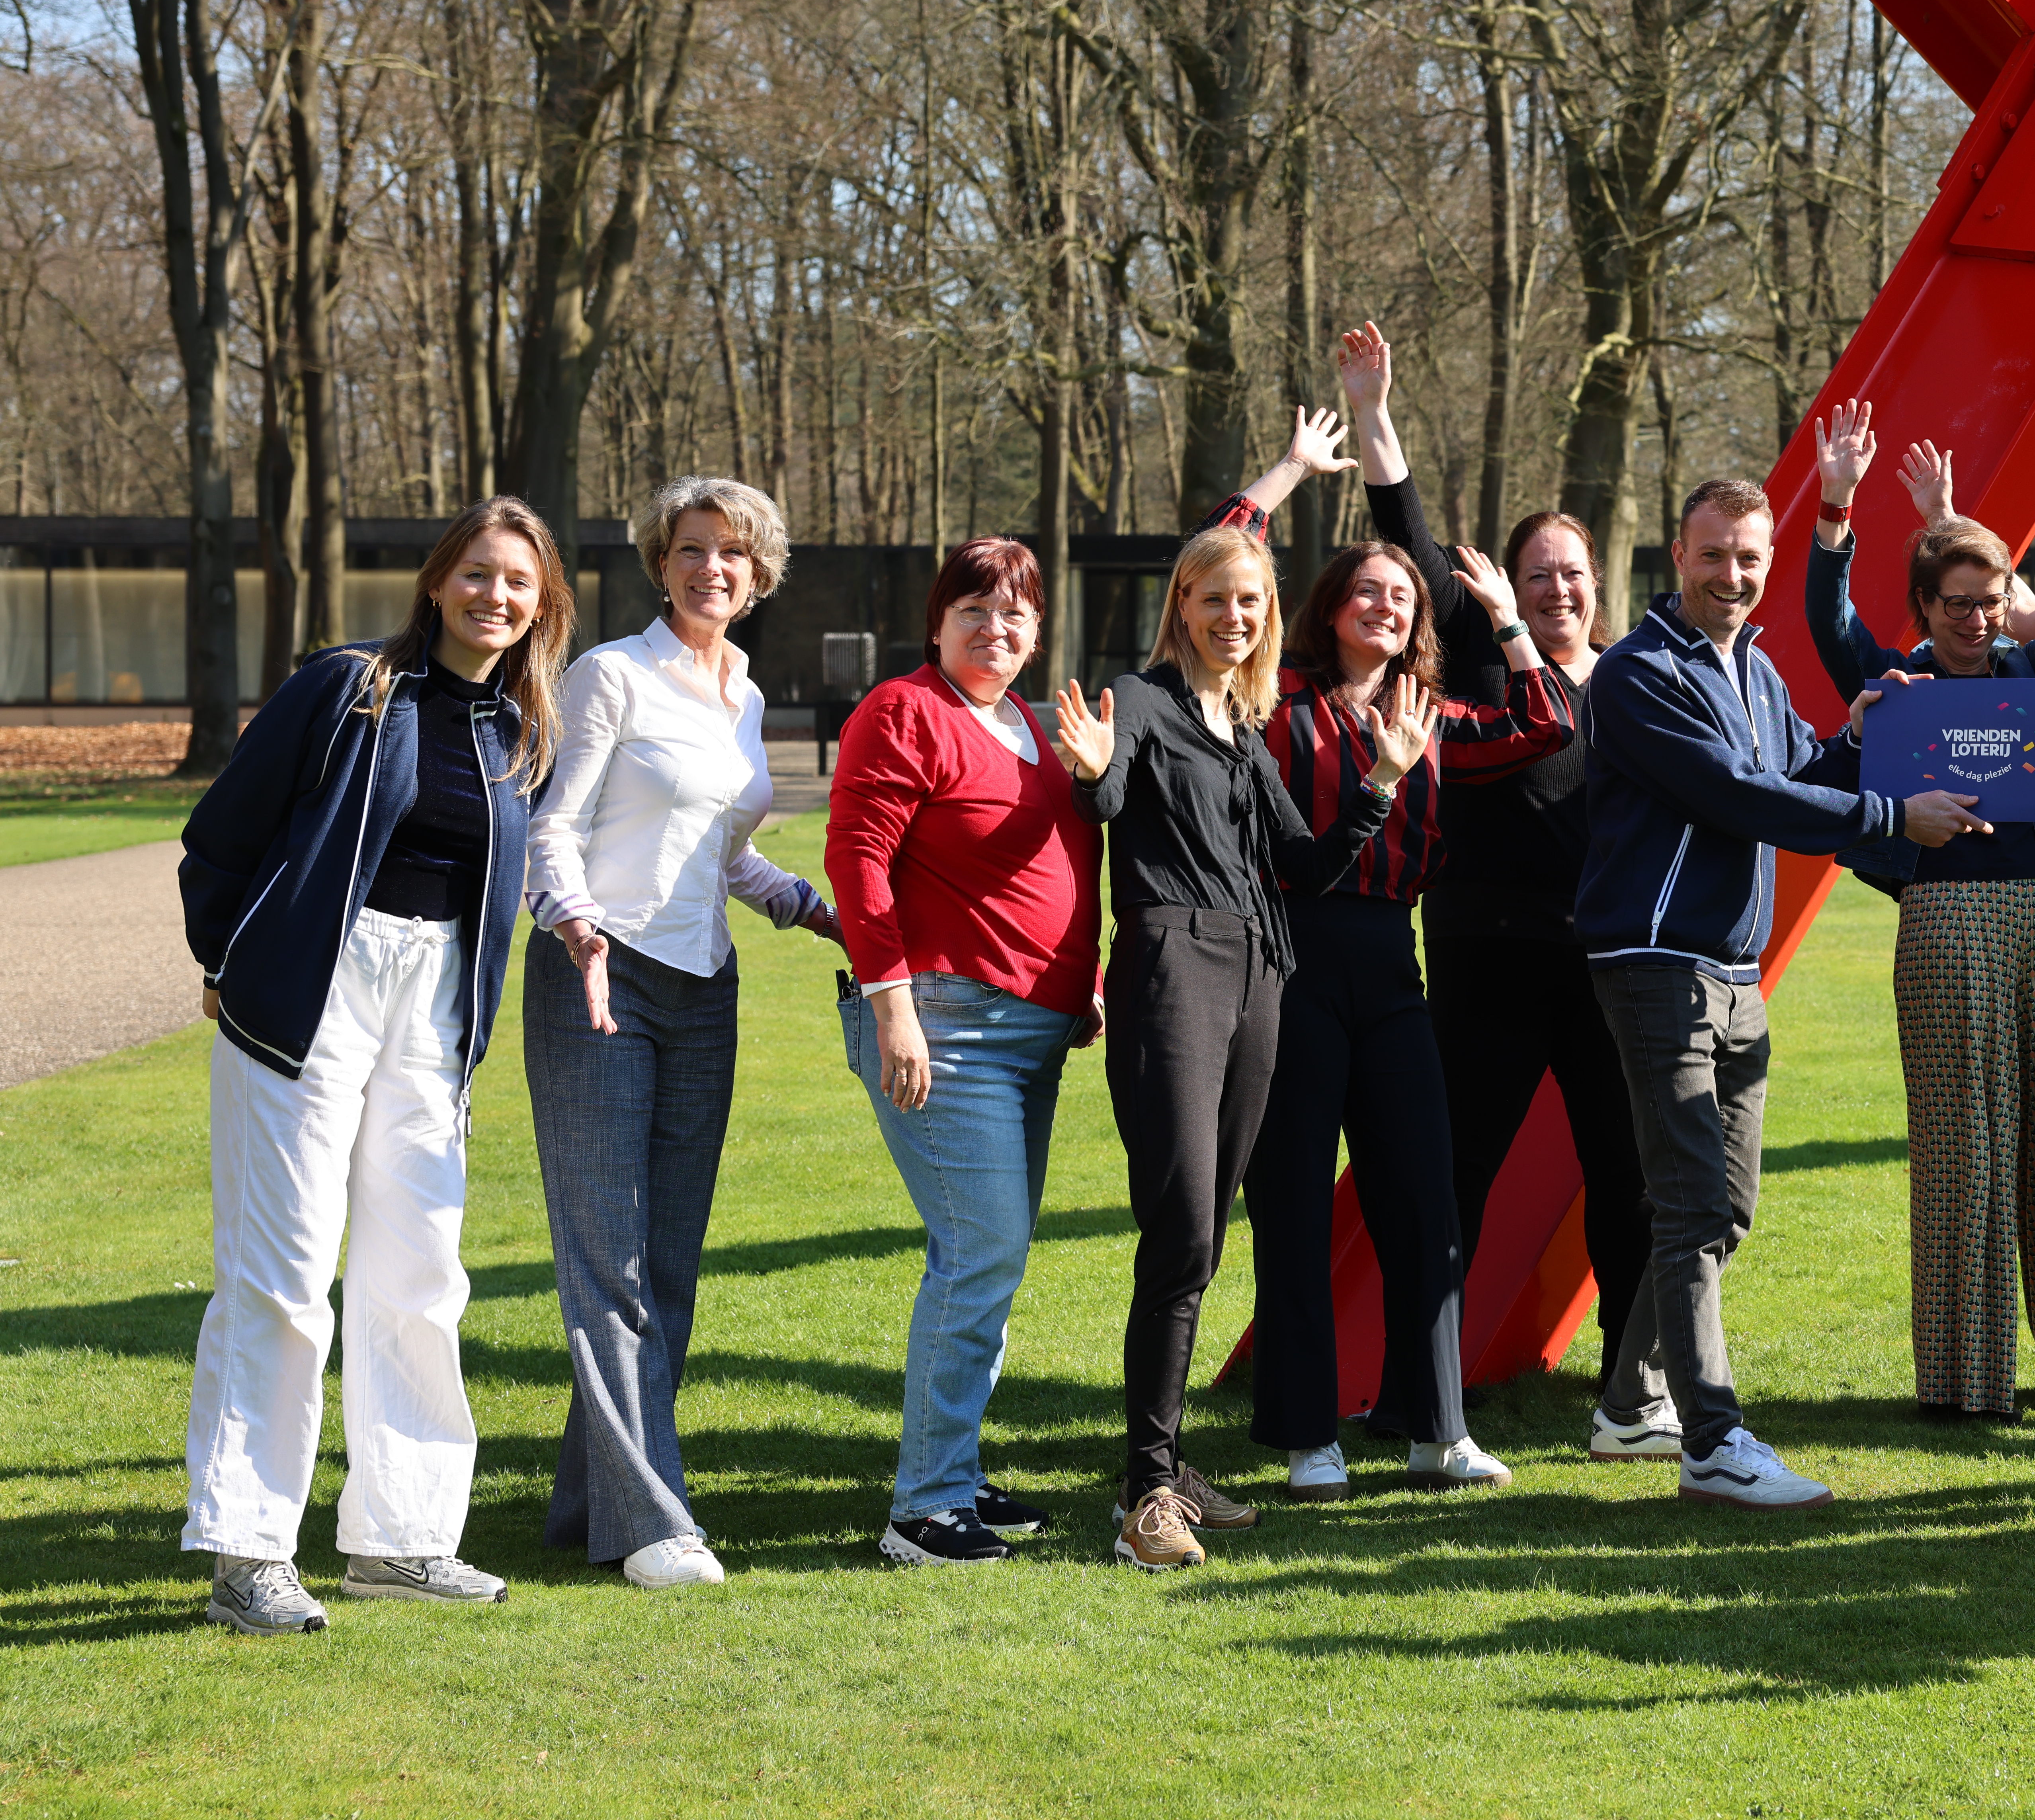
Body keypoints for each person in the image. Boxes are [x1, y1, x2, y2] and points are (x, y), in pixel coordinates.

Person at [175, 498, 573, 1634]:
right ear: (439, 578)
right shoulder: (349, 686)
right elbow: (223, 833)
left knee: (418, 1278)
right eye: (479, 573)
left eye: (520, 584)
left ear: (543, 606)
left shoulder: (523, 731)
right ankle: (249, 1551)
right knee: (285, 1276)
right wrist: (231, 956)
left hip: (435, 1012)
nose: (496, 597)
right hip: (312, 996)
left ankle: (402, 1540)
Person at [1576, 475, 1987, 1511]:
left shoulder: (1755, 668)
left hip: (1734, 970)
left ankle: (1631, 1407)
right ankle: (1712, 1444)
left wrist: (1862, 731)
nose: (1734, 575)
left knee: (1730, 1209)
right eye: (1714, 554)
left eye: (1750, 557)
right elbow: (1737, 795)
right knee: (1689, 1206)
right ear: (1679, 554)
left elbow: (1804, 765)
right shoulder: (1639, 674)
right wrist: (1892, 816)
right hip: (1657, 963)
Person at [1187, 401, 1571, 1502]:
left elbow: (1547, 726)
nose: (1387, 607)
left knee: (1425, 1203)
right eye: (1369, 592)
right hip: (1292, 962)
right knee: (1300, 1203)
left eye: (1404, 598)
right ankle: (1310, 1437)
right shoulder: (1270, 696)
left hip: (1391, 967)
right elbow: (1215, 562)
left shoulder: (1433, 710)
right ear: (1331, 608)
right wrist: (1292, 471)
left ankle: (1435, 1430)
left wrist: (1503, 617)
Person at [1055, 509, 1428, 1572]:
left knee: (1210, 1237)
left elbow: (1306, 868)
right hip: (1174, 966)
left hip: (1263, 972)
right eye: (1214, 598)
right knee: (1178, 1232)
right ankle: (1144, 1497)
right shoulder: (1141, 703)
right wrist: (1091, 770)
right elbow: (1112, 796)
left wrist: (1383, 783)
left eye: (1251, 602)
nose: (1233, 616)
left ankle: (1166, 1465)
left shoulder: (1245, 731)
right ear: (1183, 605)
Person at [1331, 324, 1654, 1435]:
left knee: (1627, 1177)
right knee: (1451, 1179)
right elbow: (1405, 539)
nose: (1560, 589)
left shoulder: (1632, 677)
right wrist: (1375, 417)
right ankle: (1418, 1395)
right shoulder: (1481, 666)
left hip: (1607, 959)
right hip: (1486, 955)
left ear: (1596, 584)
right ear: (1505, 591)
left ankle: (1632, 1391)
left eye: (1574, 574)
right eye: (1538, 576)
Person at [523, 476, 838, 1590]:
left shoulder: (744, 693)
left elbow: (717, 851)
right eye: (694, 551)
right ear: (662, 562)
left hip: (705, 988)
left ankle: (582, 1504)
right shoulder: (610, 675)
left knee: (669, 1262)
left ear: (759, 578)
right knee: (608, 1262)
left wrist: (810, 906)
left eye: (736, 556)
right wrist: (576, 928)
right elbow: (548, 828)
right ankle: (654, 1520)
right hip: (597, 983)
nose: (714, 570)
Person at [1798, 396, 2035, 1421]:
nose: (1974, 618)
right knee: (1960, 1142)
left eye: (1988, 600)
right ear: (1924, 603)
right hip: (1942, 924)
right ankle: (1964, 1377)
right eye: (1953, 601)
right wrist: (1837, 508)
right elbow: (1827, 620)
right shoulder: (1896, 687)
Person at [825, 538, 1102, 1572]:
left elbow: (1059, 865)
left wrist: (1088, 982)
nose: (998, 630)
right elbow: (858, 857)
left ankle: (958, 1464)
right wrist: (892, 1006)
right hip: (944, 1027)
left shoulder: (1035, 726)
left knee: (993, 1258)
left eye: (1017, 614)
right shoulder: (905, 712)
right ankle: (924, 1507)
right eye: (976, 611)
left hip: (1035, 1033)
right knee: (976, 1255)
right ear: (938, 623)